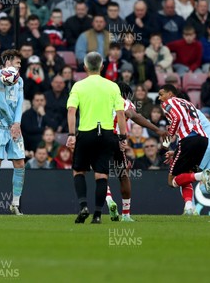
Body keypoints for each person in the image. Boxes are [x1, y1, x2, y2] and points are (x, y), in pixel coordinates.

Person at [66, 52, 128, 224]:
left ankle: (83, 205)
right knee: (101, 175)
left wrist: (71, 135)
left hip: (86, 133)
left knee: (79, 171)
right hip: (107, 134)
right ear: (102, 67)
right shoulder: (113, 86)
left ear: (85, 67)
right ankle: (98, 215)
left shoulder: (78, 86)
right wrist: (123, 138)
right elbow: (121, 113)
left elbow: (71, 111)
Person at [105, 82, 168, 222]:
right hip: (118, 139)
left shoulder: (104, 99)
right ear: (126, 94)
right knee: (123, 175)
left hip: (101, 138)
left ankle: (109, 198)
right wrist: (157, 130)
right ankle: (126, 214)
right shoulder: (126, 103)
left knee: (100, 172)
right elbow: (134, 115)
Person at [158, 83, 209, 215]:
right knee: (185, 175)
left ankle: (201, 176)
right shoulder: (188, 103)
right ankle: (188, 207)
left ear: (170, 94)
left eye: (161, 94)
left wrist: (168, 139)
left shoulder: (167, 103)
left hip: (188, 140)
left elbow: (177, 118)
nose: (159, 98)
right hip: (203, 140)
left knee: (171, 180)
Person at [0, 49, 26, 216]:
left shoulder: (20, 80)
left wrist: (17, 123)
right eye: (17, 63)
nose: (19, 66)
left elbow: (19, 103)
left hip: (14, 127)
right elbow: (1, 103)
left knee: (20, 164)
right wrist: (12, 124)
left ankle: (15, 204)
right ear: (8, 62)